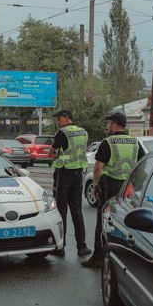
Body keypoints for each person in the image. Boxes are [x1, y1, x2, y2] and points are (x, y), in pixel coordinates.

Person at [82, 111, 139, 268]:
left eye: (109, 123)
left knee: (103, 221)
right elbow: (141, 165)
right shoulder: (135, 142)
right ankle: (124, 257)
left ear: (114, 124)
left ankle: (98, 257)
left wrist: (94, 187)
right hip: (128, 189)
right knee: (125, 222)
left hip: (110, 187)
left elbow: (98, 168)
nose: (108, 126)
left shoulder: (108, 142)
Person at [48, 109, 90, 258]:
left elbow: (51, 153)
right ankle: (82, 247)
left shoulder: (62, 133)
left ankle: (60, 247)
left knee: (61, 211)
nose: (58, 122)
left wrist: (56, 157)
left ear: (66, 118)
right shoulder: (84, 132)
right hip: (78, 175)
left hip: (64, 175)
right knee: (77, 211)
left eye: (59, 119)